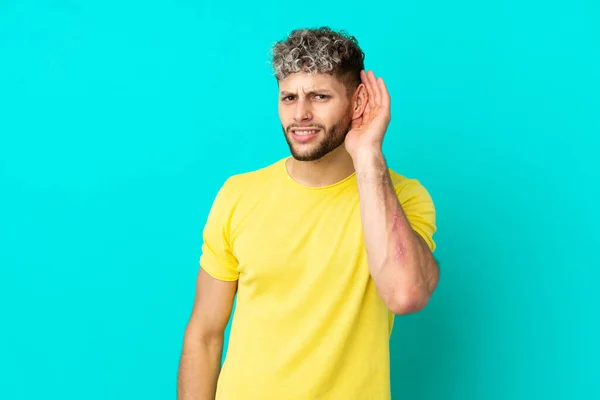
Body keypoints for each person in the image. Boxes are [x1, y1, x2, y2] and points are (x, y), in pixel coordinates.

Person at [177, 26, 439, 400]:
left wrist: (368, 156)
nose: (300, 114)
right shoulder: (238, 195)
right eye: (288, 98)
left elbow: (405, 294)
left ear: (358, 100)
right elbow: (204, 335)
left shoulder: (403, 197)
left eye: (319, 96)